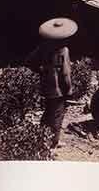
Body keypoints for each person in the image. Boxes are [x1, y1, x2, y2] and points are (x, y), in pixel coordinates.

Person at [29, 18, 76, 147]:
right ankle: (54, 142)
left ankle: (39, 136)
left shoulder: (43, 47)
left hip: (46, 85)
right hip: (59, 88)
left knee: (48, 111)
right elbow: (66, 73)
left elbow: (30, 62)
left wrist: (41, 70)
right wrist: (69, 89)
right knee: (57, 115)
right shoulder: (63, 50)